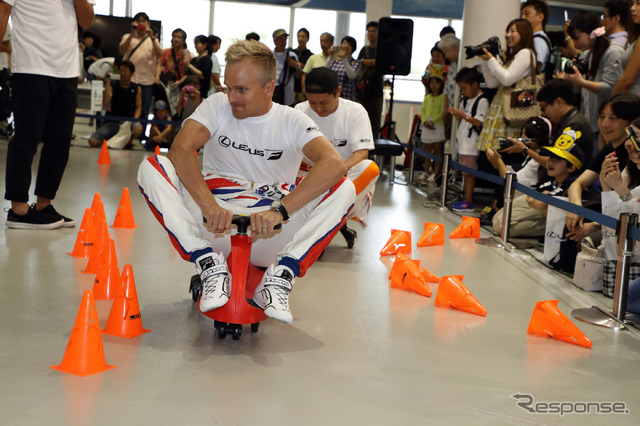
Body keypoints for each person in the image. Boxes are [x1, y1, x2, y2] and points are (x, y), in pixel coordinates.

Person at [137, 40, 355, 325]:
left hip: (270, 231)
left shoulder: (292, 120)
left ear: (268, 88)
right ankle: (207, 263)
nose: (232, 98)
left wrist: (280, 211)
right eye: (229, 88)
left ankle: (282, 274)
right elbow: (181, 148)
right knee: (152, 165)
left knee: (345, 187)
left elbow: (333, 164)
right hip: (214, 226)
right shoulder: (217, 105)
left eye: (241, 90)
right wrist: (208, 205)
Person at [3, 0, 94, 230]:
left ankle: (44, 204)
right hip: (30, 65)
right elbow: (3, 10)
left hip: (67, 69)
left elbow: (87, 20)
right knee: (27, 137)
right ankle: (18, 209)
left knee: (60, 141)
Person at [295, 67, 379, 248]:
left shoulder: (356, 112)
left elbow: (361, 153)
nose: (318, 108)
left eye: (324, 103)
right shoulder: (299, 111)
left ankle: (318, 229)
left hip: (343, 179)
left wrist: (334, 172)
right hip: (308, 179)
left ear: (338, 92)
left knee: (369, 167)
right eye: (312, 103)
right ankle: (319, 227)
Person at [493, 138, 584, 238]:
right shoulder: (553, 182)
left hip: (558, 230)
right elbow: (532, 197)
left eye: (557, 159)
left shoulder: (572, 185)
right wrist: (542, 200)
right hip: (544, 216)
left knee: (502, 227)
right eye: (550, 157)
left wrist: (543, 204)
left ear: (571, 167)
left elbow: (545, 205)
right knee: (497, 220)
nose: (550, 162)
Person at [477, 19, 537, 153]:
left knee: (501, 159)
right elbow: (492, 83)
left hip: (510, 112)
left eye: (513, 31)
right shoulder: (513, 56)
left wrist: (491, 60)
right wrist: (486, 60)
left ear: (524, 33)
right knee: (491, 159)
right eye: (507, 31)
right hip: (500, 111)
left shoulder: (526, 53)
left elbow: (507, 79)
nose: (508, 35)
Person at [559, 11, 624, 133]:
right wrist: (574, 82)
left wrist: (581, 82)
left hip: (607, 124)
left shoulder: (613, 52)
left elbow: (611, 88)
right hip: (590, 119)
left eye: (576, 38)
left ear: (591, 33)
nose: (575, 44)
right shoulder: (588, 53)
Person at [603, 120, 640, 302]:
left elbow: (632, 214)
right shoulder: (631, 169)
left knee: (626, 299)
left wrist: (620, 190)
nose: (629, 143)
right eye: (628, 136)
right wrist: (605, 179)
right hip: (626, 251)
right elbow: (612, 212)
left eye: (636, 137)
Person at [447, 67, 489, 212]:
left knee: (469, 173)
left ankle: (468, 201)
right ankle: (465, 198)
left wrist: (462, 115)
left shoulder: (482, 101)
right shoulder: (466, 100)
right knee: (465, 172)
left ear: (475, 85)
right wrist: (456, 114)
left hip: (472, 144)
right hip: (463, 141)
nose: (463, 92)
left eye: (464, 89)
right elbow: (462, 118)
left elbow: (478, 122)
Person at [536, 79, 595, 165]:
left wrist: (525, 149)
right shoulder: (569, 121)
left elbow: (556, 163)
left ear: (559, 102)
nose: (543, 113)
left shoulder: (576, 125)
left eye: (543, 108)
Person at [119, 12, 163, 124]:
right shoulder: (127, 37)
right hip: (130, 80)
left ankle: (141, 134)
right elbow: (121, 50)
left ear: (148, 24)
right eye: (139, 21)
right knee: (128, 107)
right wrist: (131, 34)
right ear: (134, 23)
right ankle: (127, 133)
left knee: (144, 109)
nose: (141, 23)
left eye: (144, 21)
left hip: (147, 81)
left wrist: (152, 37)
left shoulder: (153, 40)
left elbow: (160, 54)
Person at [87, 60, 143, 149]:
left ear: (131, 74)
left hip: (129, 122)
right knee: (93, 141)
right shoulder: (113, 85)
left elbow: (138, 107)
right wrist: (108, 83)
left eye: (125, 71)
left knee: (138, 129)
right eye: (121, 71)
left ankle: (127, 140)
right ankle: (112, 141)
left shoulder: (136, 88)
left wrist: (134, 119)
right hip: (114, 122)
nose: (122, 73)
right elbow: (106, 101)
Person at [417, 65, 447, 185]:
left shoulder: (443, 97)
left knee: (437, 149)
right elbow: (423, 110)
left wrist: (432, 121)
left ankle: (435, 173)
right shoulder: (427, 97)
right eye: (432, 82)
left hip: (437, 125)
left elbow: (442, 111)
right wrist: (424, 121)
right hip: (426, 125)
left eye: (437, 82)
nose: (434, 85)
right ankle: (426, 171)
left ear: (441, 84)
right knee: (427, 149)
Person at [156, 28, 192, 117]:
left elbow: (187, 72)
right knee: (163, 109)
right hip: (165, 85)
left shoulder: (186, 53)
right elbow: (159, 64)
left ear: (183, 40)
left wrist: (180, 82)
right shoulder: (166, 52)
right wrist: (157, 76)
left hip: (179, 85)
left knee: (176, 111)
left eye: (179, 37)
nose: (175, 39)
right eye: (174, 36)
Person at [358, 21, 383, 138]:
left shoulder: (382, 50)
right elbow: (358, 65)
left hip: (376, 91)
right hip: (363, 91)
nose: (371, 34)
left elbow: (381, 64)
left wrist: (367, 62)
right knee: (361, 119)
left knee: (374, 121)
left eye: (374, 31)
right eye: (369, 31)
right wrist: (371, 63)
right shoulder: (364, 50)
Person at [612, 1, 640, 95]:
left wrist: (609, 103)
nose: (632, 8)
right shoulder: (636, 37)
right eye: (632, 3)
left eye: (638, 4)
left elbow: (627, 81)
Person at [520, 0, 552, 74]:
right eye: (521, 15)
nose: (522, 18)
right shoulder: (535, 38)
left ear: (540, 17)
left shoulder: (538, 40)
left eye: (527, 14)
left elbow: (536, 66)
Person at [272, 29, 300, 106]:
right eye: (280, 39)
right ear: (274, 41)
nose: (283, 42)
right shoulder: (269, 56)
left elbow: (298, 76)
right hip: (272, 93)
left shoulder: (292, 55)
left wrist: (296, 66)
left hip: (288, 95)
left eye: (285, 39)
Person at [328, 36, 361, 102]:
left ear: (353, 48)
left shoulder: (356, 62)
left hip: (349, 98)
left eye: (349, 44)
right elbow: (324, 72)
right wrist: (330, 57)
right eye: (344, 43)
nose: (346, 46)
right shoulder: (335, 61)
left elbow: (352, 76)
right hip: (334, 97)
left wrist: (344, 59)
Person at [293, 28, 313, 104]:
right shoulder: (291, 53)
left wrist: (299, 66)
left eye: (303, 36)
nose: (300, 39)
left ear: (307, 39)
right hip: (291, 87)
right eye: (298, 36)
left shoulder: (310, 55)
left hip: (302, 89)